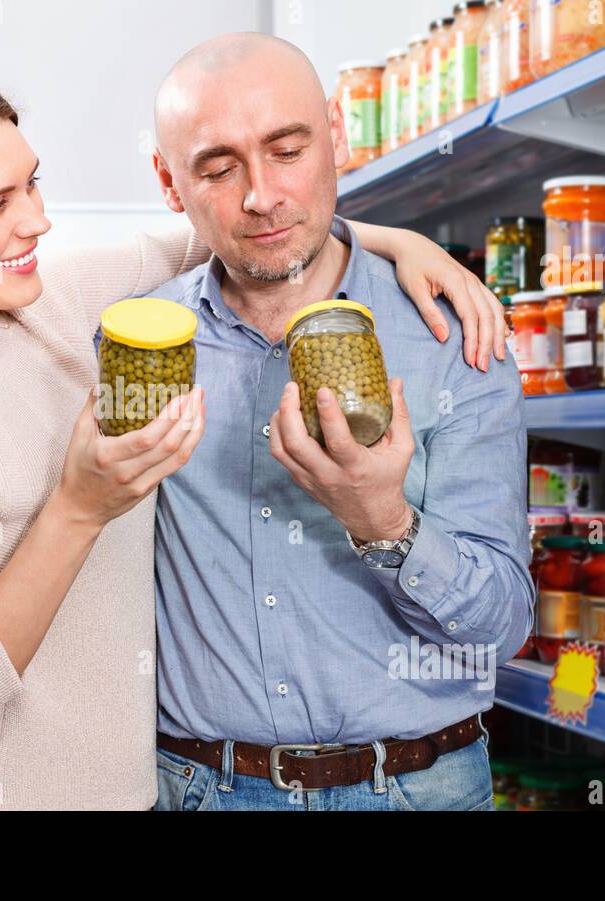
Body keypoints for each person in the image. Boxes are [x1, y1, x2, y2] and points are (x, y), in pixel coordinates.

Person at [0, 65, 505, 810]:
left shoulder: (54, 306)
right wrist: (77, 506)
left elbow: (244, 227)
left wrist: (398, 244)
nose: (36, 221)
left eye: (31, 185)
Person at [146, 33, 533, 811]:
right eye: (218, 169)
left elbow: (503, 633)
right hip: (202, 790)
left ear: (337, 135)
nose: (262, 195)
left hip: (421, 788)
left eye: (288, 150)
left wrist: (384, 521)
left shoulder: (450, 335)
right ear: (168, 182)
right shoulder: (135, 346)